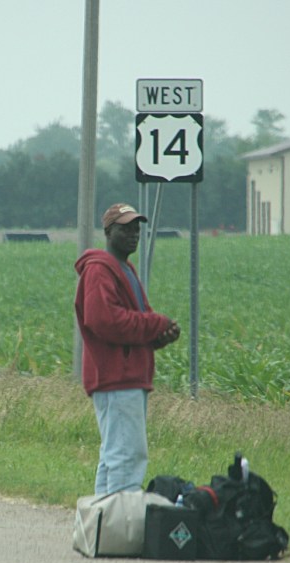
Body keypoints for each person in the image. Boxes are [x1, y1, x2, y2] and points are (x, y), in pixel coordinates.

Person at [74, 203, 181, 495]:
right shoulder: (99, 270)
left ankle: (104, 530)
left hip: (126, 376)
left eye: (136, 227)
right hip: (116, 378)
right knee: (126, 458)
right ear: (108, 232)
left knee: (114, 458)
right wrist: (156, 323)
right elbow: (103, 320)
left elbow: (134, 324)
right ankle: (119, 531)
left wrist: (158, 337)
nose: (133, 233)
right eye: (125, 228)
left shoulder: (124, 269)